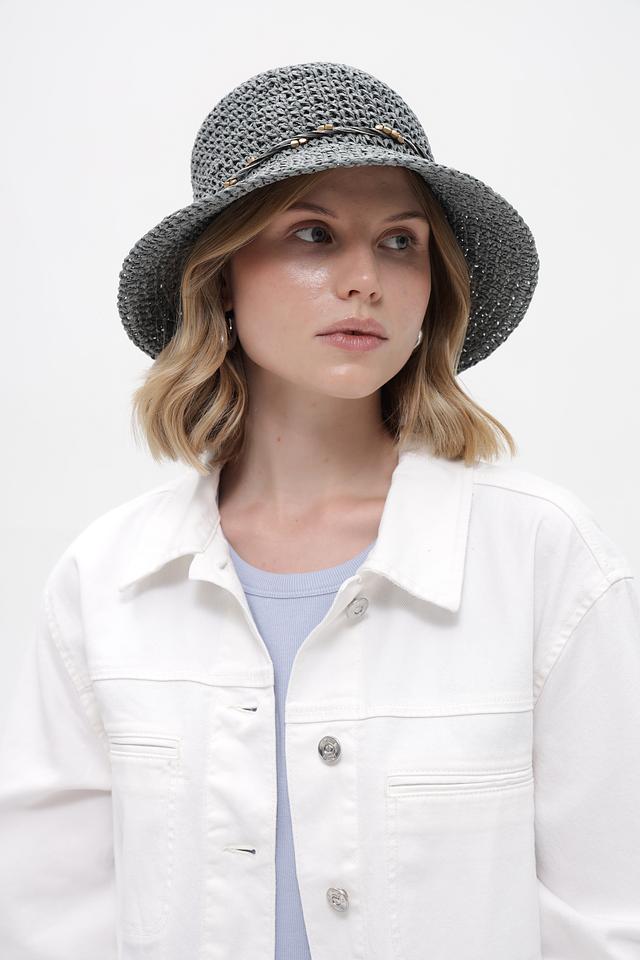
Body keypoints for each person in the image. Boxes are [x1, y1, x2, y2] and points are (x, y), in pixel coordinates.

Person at [1, 60, 638, 960]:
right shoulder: (108, 580)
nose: (365, 280)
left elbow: (609, 915)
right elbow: (52, 918)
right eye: (313, 234)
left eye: (401, 242)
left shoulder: (540, 558)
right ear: (222, 277)